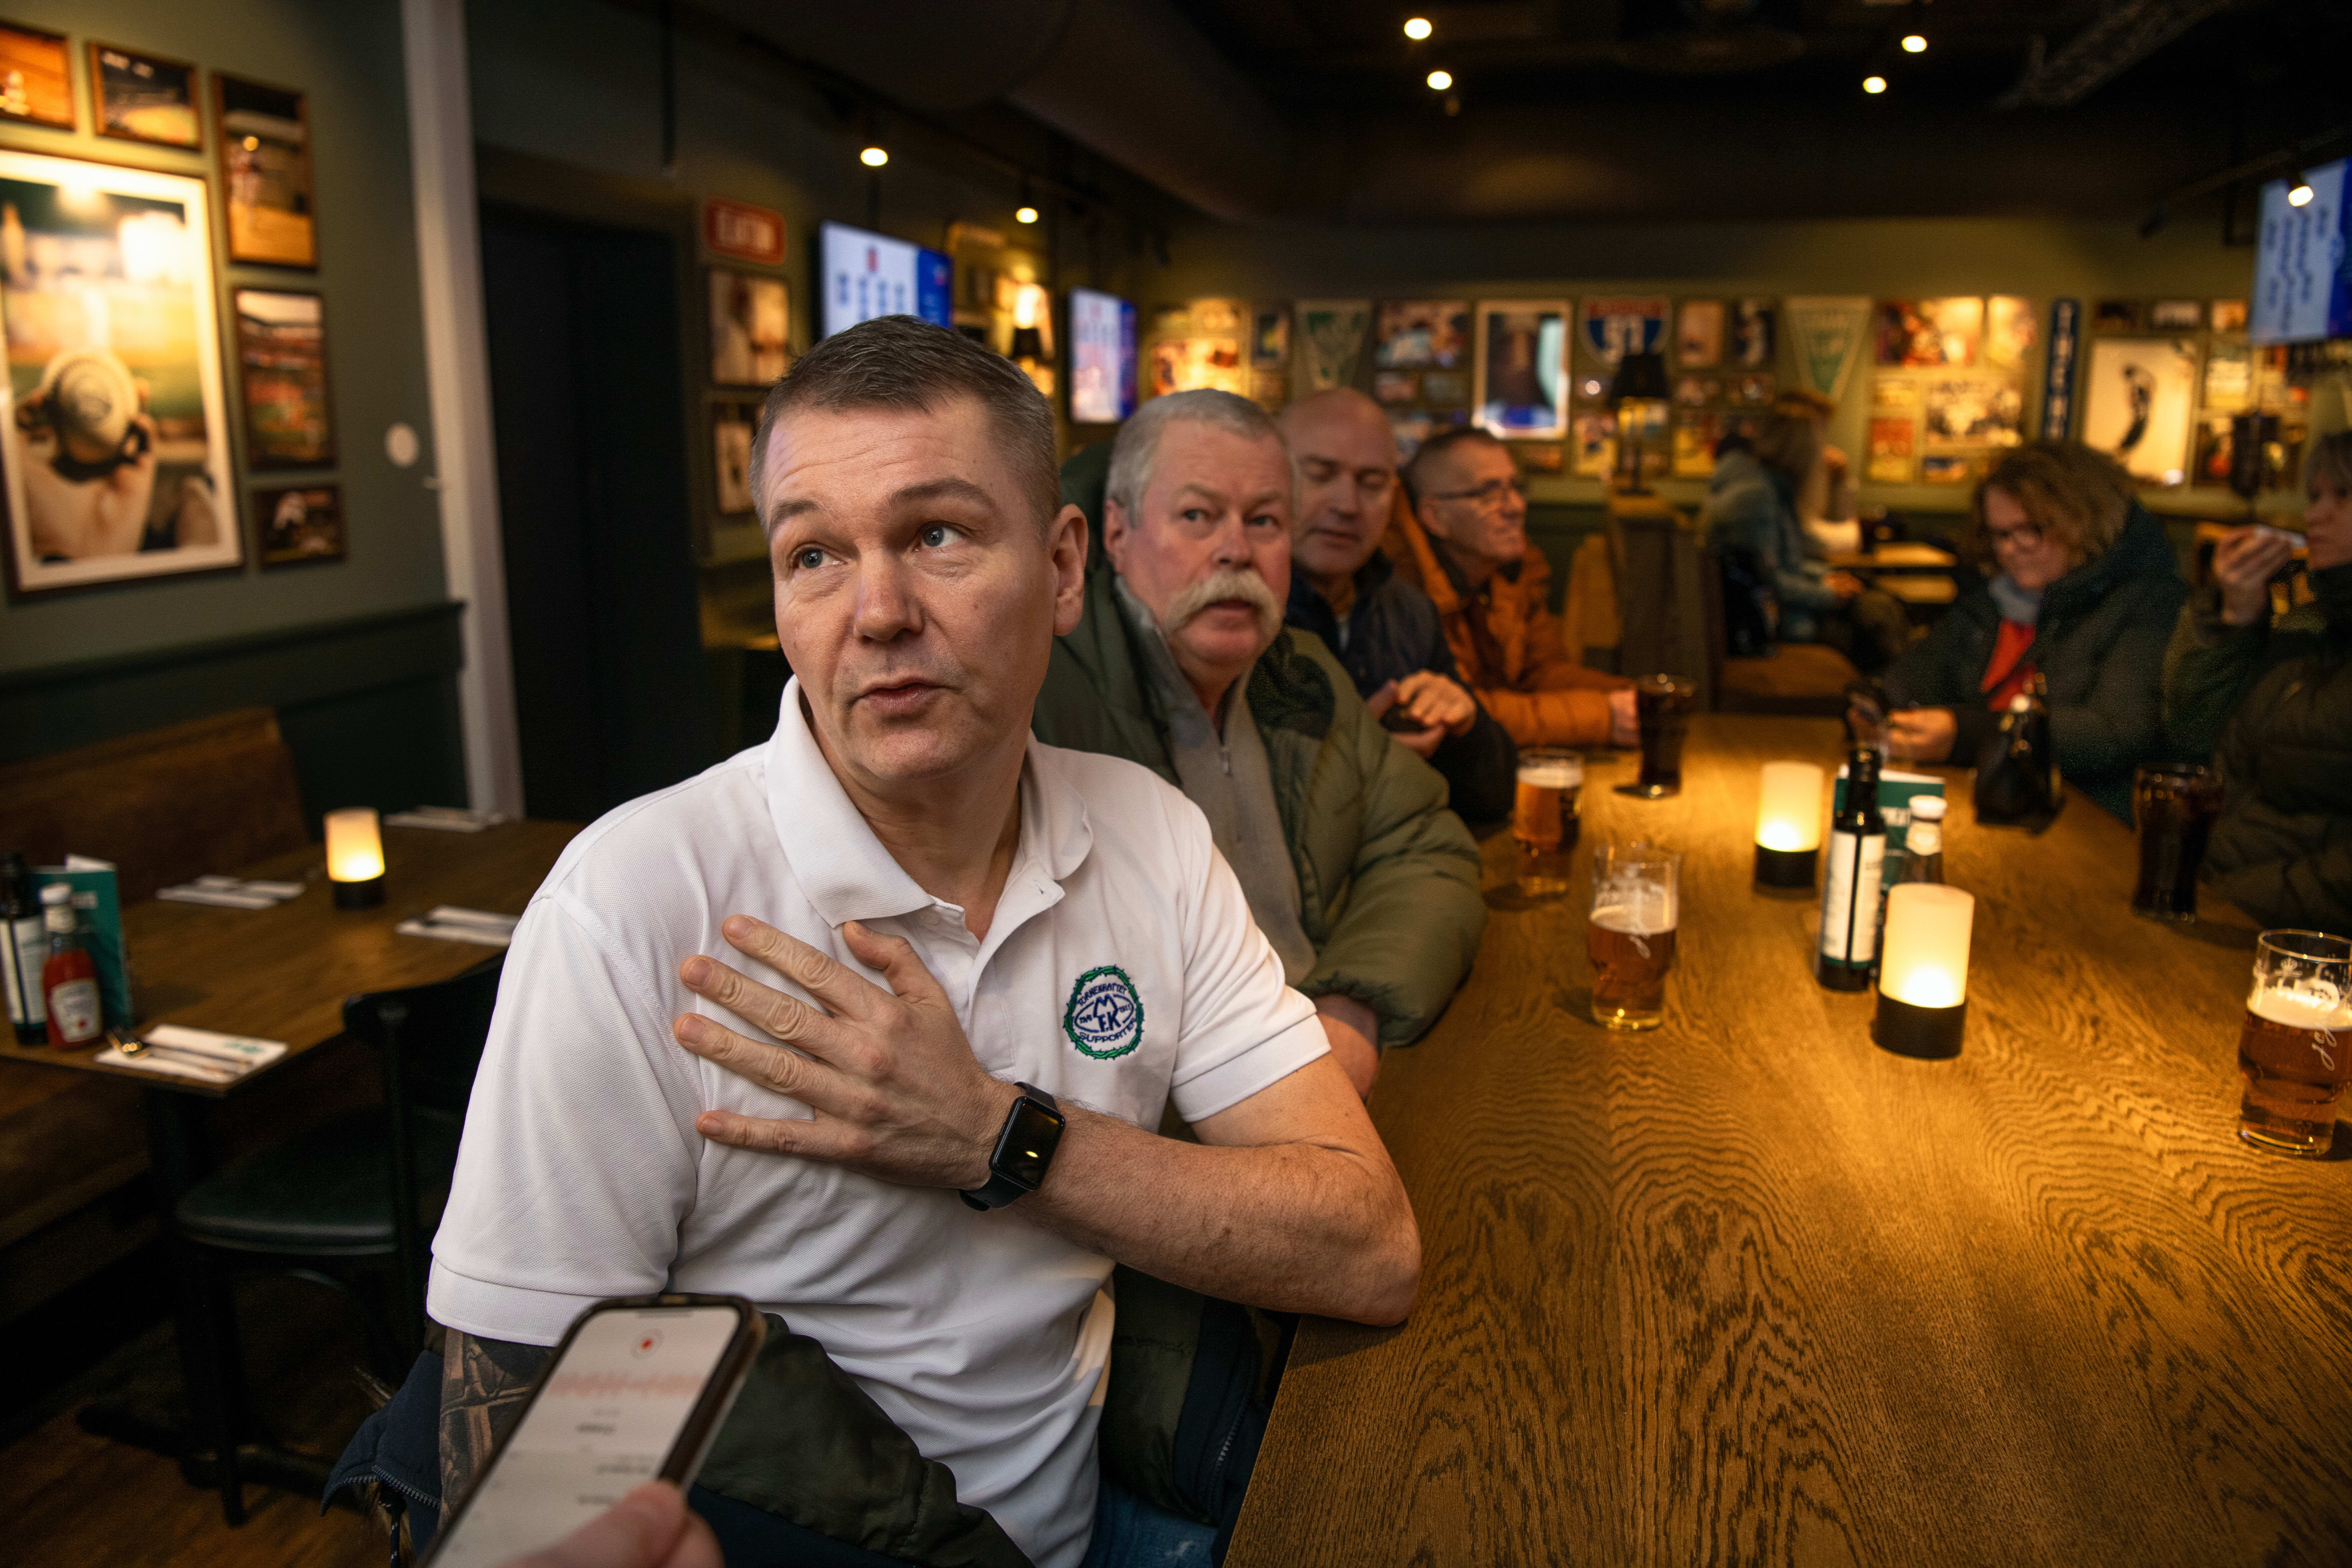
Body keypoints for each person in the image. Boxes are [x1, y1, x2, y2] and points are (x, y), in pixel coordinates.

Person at [425, 318, 1419, 1568]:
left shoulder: (1151, 836)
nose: (878, 612)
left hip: (1098, 1520)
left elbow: (1370, 1246)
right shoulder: (633, 902)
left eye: (938, 534)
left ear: (1064, 567)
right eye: (814, 554)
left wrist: (997, 1135)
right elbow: (507, 1453)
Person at [1032, 390, 1486, 1098]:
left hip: (1333, 1080)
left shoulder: (1302, 673)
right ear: (1116, 533)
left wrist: (1352, 1005)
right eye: (1197, 516)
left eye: (1265, 521)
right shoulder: (1034, 696)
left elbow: (1427, 849)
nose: (1236, 550)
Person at [1860, 441, 2186, 820]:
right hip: (1989, 801)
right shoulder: (1999, 595)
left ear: (2085, 521)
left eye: (2031, 530)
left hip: (2085, 818)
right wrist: (1877, 699)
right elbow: (1923, 671)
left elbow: (2117, 733)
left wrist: (1967, 735)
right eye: (2000, 534)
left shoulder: (2148, 600)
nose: (2012, 549)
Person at [1276, 389, 1517, 823]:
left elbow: (1493, 796)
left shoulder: (1409, 610)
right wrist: (1356, 759)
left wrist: (1464, 727)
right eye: (1319, 475)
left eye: (1371, 484)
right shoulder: (1235, 618)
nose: (1347, 505)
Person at [2163, 430, 2352, 934]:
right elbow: (2194, 733)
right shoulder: (2308, 620)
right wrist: (2235, 615)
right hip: (2221, 878)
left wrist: (2222, 903)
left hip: (2295, 935)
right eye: (2315, 496)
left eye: (2343, 496)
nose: (2316, 515)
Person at [1383, 426, 1638, 749]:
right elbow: (1459, 712)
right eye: (1488, 494)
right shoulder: (1397, 588)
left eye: (1516, 487)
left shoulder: (1514, 567)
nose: (1516, 507)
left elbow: (1538, 672)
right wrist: (1603, 716)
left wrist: (1629, 696)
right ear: (1434, 517)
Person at [1702, 389, 1909, 674]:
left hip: (1784, 614)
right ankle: (1890, 694)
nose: (1822, 452)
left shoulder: (1768, 488)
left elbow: (1779, 565)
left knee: (1879, 609)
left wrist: (1825, 579)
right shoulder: (1758, 497)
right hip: (1780, 628)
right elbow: (1767, 583)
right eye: (1818, 441)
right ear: (1800, 450)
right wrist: (1827, 593)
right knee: (1877, 617)